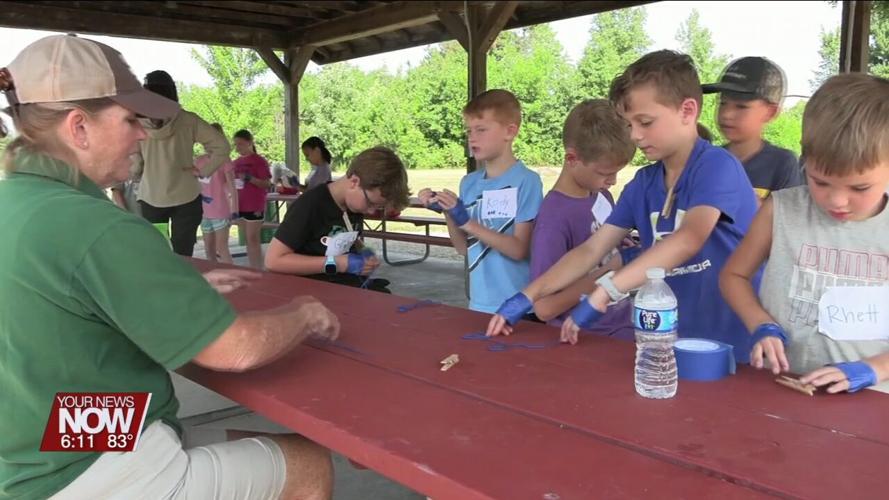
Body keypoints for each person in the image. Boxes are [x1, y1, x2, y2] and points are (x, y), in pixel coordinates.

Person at [0, 35, 338, 500]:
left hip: (42, 442)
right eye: (129, 118)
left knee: (232, 443)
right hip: (83, 470)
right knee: (308, 461)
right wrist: (303, 312)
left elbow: (64, 306)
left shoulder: (16, 203)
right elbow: (233, 350)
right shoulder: (96, 225)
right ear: (79, 128)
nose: (143, 132)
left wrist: (176, 295)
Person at [486, 50, 759, 364]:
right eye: (629, 124)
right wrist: (528, 295)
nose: (635, 135)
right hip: (674, 344)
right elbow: (590, 250)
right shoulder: (643, 184)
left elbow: (688, 239)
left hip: (735, 346)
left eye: (645, 122)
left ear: (687, 110)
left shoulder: (716, 166)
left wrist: (606, 291)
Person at [720, 73, 889, 394]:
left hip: (874, 399)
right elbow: (734, 276)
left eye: (860, 187)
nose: (837, 200)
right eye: (820, 181)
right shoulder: (780, 210)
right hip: (783, 386)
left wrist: (873, 368)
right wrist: (761, 324)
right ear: (804, 160)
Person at [418, 89, 544, 313]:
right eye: (469, 130)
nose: (472, 137)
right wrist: (448, 210)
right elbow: (463, 248)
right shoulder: (469, 183)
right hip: (479, 304)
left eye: (481, 129)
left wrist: (467, 222)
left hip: (519, 308)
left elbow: (519, 250)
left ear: (510, 131)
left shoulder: (527, 181)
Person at [527, 99, 638, 339]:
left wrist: (620, 242)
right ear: (572, 159)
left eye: (618, 172)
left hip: (622, 325)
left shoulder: (603, 195)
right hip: (585, 338)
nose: (613, 181)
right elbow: (543, 309)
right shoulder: (554, 218)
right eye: (605, 173)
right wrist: (611, 269)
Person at [265, 146, 410, 292]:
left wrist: (364, 251)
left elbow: (344, 234)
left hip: (340, 285)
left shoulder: (353, 205)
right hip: (309, 292)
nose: (371, 211)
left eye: (378, 207)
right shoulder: (311, 205)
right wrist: (337, 263)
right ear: (354, 182)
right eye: (371, 203)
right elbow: (274, 261)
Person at [132, 69, 231, 256]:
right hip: (186, 196)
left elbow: (135, 160)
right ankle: (185, 284)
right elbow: (222, 147)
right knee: (184, 254)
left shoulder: (137, 123)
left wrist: (139, 172)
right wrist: (203, 170)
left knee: (157, 251)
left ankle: (161, 285)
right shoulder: (188, 120)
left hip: (152, 196)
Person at [702, 57, 802, 201]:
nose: (726, 114)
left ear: (771, 112)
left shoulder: (782, 163)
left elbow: (785, 220)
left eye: (741, 106)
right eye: (723, 103)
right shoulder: (707, 161)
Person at [232, 129, 272, 270]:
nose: (238, 148)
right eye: (236, 145)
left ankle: (258, 269)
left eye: (241, 144)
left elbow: (267, 183)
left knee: (253, 238)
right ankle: (252, 267)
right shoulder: (235, 163)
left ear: (250, 143)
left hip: (255, 204)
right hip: (240, 204)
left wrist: (250, 178)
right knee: (248, 240)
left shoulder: (259, 161)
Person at [198, 123, 238, 265]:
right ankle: (216, 278)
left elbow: (233, 188)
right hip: (204, 212)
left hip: (220, 210)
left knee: (222, 248)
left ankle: (233, 278)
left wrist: (235, 210)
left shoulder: (224, 160)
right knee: (209, 249)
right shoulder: (199, 160)